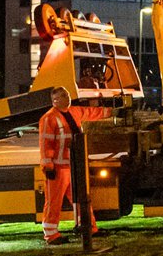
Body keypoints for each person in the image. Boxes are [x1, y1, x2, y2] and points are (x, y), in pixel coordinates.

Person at [38, 86, 112, 244]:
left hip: (73, 165)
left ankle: (88, 228)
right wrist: (48, 166)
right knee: (54, 202)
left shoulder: (74, 111)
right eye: (64, 95)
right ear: (55, 101)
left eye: (68, 94)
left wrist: (113, 111)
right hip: (58, 168)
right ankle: (51, 235)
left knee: (82, 199)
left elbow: (91, 112)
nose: (68, 97)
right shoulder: (48, 118)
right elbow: (45, 144)